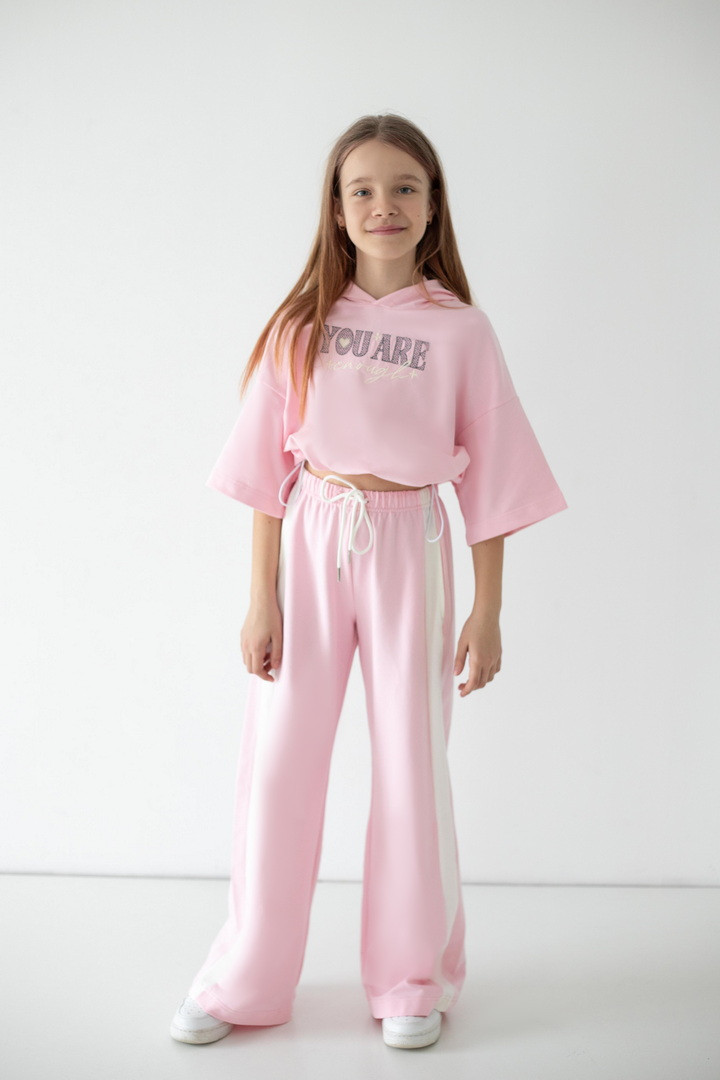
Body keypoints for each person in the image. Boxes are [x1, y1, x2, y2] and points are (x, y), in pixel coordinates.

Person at [170, 112, 568, 1051]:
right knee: (280, 763)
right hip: (314, 537)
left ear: (432, 206)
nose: (383, 205)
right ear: (338, 210)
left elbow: (494, 483)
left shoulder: (462, 332)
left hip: (409, 546)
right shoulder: (303, 326)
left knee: (409, 764)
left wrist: (489, 611)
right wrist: (261, 597)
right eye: (362, 190)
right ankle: (246, 978)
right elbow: (266, 477)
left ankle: (409, 979)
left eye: (403, 187)